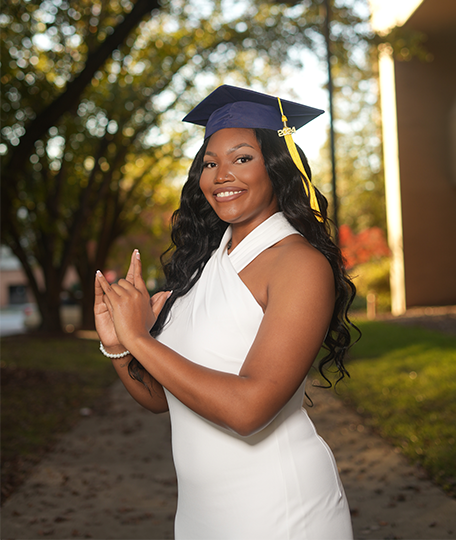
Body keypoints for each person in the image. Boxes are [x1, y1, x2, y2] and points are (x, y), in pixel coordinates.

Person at [94, 84, 356, 540]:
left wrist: (140, 339)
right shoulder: (205, 266)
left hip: (279, 510)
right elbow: (163, 399)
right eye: (210, 163)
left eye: (241, 158)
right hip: (202, 514)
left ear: (276, 167)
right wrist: (118, 346)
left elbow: (248, 410)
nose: (221, 175)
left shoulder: (299, 265)